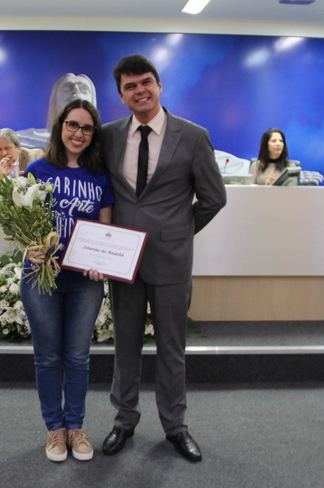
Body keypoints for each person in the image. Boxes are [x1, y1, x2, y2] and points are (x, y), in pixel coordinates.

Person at [100, 54, 227, 462]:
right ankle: (124, 421)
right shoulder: (109, 136)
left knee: (172, 348)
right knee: (125, 346)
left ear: (159, 86)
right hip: (123, 260)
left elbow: (213, 198)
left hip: (171, 260)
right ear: (121, 96)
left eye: (146, 82)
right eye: (130, 86)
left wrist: (178, 230)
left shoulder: (192, 136)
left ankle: (175, 426)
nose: (140, 91)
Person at [20, 98, 115, 462]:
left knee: (78, 357)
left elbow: (106, 229)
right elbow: (22, 224)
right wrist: (29, 249)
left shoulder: (99, 175)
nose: (79, 133)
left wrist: (101, 261)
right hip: (41, 276)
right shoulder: (39, 170)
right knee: (47, 358)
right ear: (61, 127)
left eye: (87, 128)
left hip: (83, 281)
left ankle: (75, 426)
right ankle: (54, 430)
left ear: (94, 134)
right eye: (73, 125)